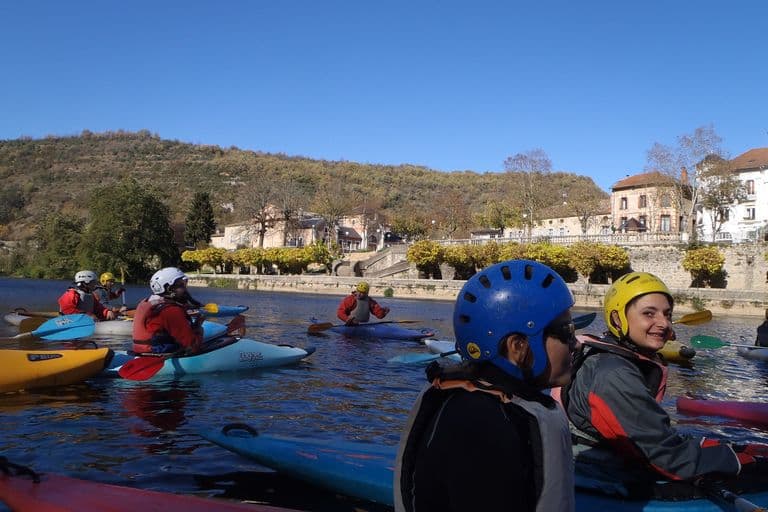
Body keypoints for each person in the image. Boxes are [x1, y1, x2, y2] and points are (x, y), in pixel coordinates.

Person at [395, 260, 577, 512]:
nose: (575, 344)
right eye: (566, 332)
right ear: (517, 346)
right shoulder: (481, 422)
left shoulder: (506, 406)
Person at [564, 271, 768, 481]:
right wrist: (736, 461)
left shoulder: (616, 360)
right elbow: (668, 459)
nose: (664, 323)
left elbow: (652, 435)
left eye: (667, 314)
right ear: (617, 319)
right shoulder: (614, 374)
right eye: (649, 314)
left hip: (611, 461)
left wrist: (728, 447)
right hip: (600, 475)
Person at [131, 267, 203, 354]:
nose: (185, 289)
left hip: (141, 351)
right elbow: (192, 346)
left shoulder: (148, 301)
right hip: (157, 354)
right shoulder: (171, 310)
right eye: (181, 284)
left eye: (184, 284)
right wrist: (198, 327)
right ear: (168, 288)